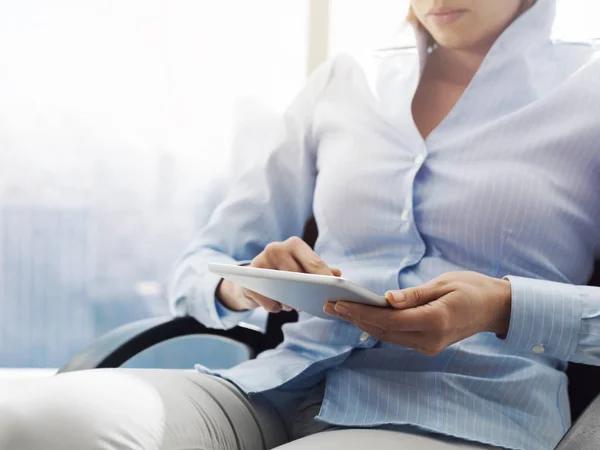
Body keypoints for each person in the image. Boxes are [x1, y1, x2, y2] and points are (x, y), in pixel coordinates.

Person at [1, 0, 599, 449]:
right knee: (31, 422)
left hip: (464, 406)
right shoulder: (345, 81)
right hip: (276, 386)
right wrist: (244, 284)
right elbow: (204, 258)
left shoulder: (588, 87)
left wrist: (503, 306)